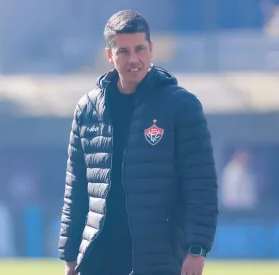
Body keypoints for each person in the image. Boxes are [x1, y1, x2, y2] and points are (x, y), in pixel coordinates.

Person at [58, 10, 218, 275]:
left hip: (159, 259)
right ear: (109, 55)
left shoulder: (181, 106)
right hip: (99, 258)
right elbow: (75, 189)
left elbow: (201, 185)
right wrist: (69, 256)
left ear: (152, 49)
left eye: (140, 49)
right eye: (123, 52)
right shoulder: (87, 110)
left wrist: (197, 249)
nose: (133, 59)